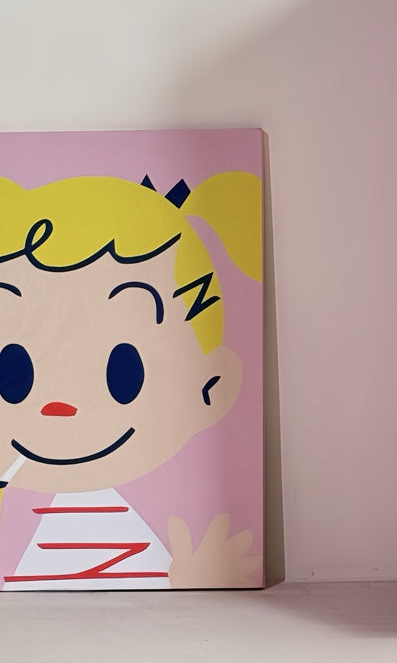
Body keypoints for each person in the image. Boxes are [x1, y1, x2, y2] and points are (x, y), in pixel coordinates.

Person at [0, 172, 262, 588]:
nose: (62, 402)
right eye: (12, 374)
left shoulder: (173, 520)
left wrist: (198, 574)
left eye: (123, 373)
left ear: (211, 386)